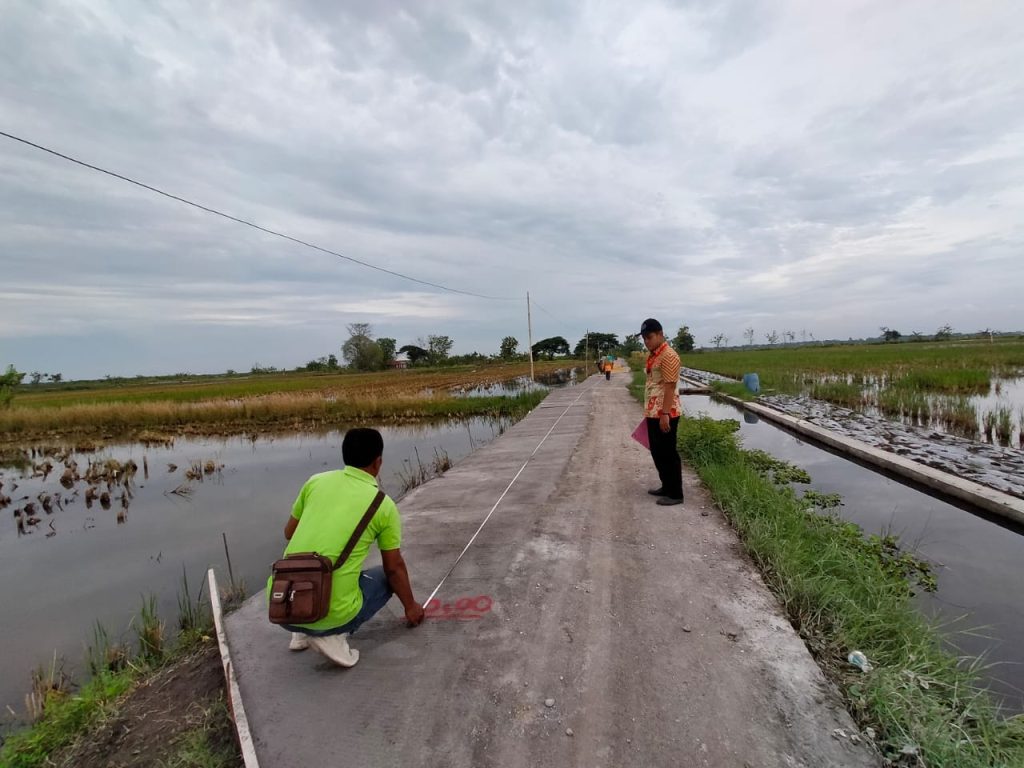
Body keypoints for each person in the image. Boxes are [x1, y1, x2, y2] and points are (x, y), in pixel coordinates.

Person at [273, 427, 425, 667]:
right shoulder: (382, 505)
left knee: (330, 569)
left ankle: (301, 631)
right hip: (331, 614)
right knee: (384, 577)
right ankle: (331, 635)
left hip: (282, 607)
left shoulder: (315, 482)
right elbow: (394, 568)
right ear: (378, 462)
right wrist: (411, 607)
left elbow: (289, 533)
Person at [638, 318, 684, 506]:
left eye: (649, 337)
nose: (646, 341)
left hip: (666, 413)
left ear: (660, 334)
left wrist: (665, 414)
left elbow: (670, 387)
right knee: (657, 452)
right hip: (653, 412)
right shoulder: (654, 355)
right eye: (644, 338)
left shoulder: (668, 355)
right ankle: (666, 486)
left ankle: (675, 494)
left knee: (668, 453)